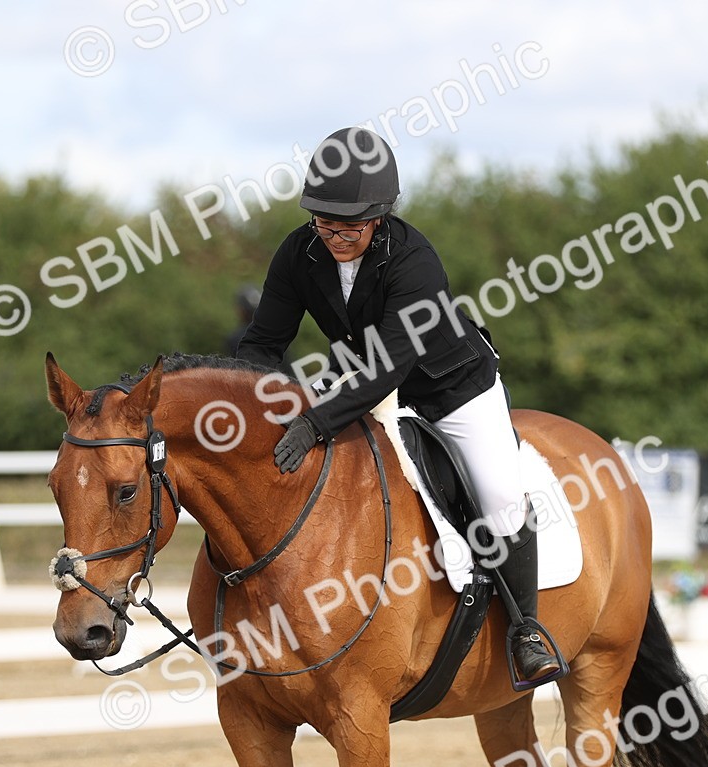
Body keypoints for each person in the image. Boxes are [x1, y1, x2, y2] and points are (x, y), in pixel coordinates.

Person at [235, 127, 564, 684]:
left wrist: (315, 420)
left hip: (452, 389)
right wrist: (246, 404)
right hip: (372, 382)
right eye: (323, 222)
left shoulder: (415, 261)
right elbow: (263, 343)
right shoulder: (299, 252)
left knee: (501, 495)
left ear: (381, 216)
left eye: (350, 226)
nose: (335, 236)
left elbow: (389, 366)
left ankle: (527, 630)